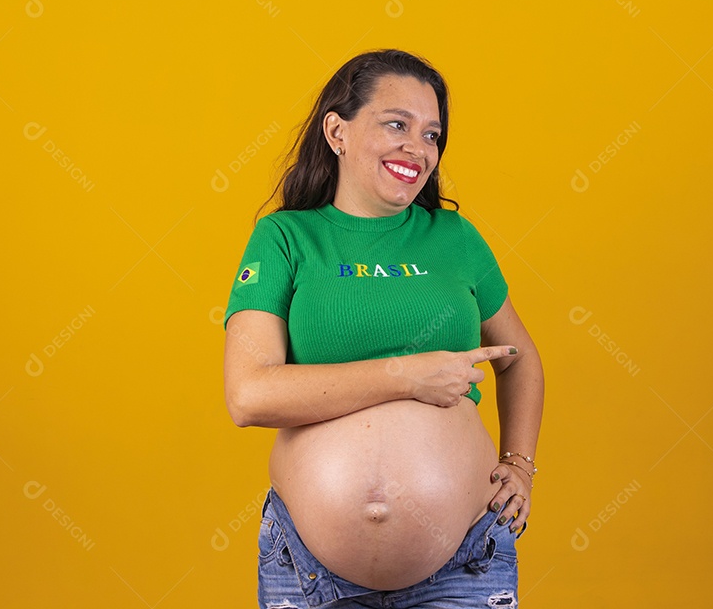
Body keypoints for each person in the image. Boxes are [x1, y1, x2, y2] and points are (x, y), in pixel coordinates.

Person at [221, 48, 545, 608]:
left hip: (463, 559)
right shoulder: (284, 239)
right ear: (337, 132)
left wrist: (519, 464)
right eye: (397, 124)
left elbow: (519, 358)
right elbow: (249, 395)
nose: (418, 148)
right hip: (308, 569)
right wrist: (404, 376)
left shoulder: (455, 238)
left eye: (431, 135)